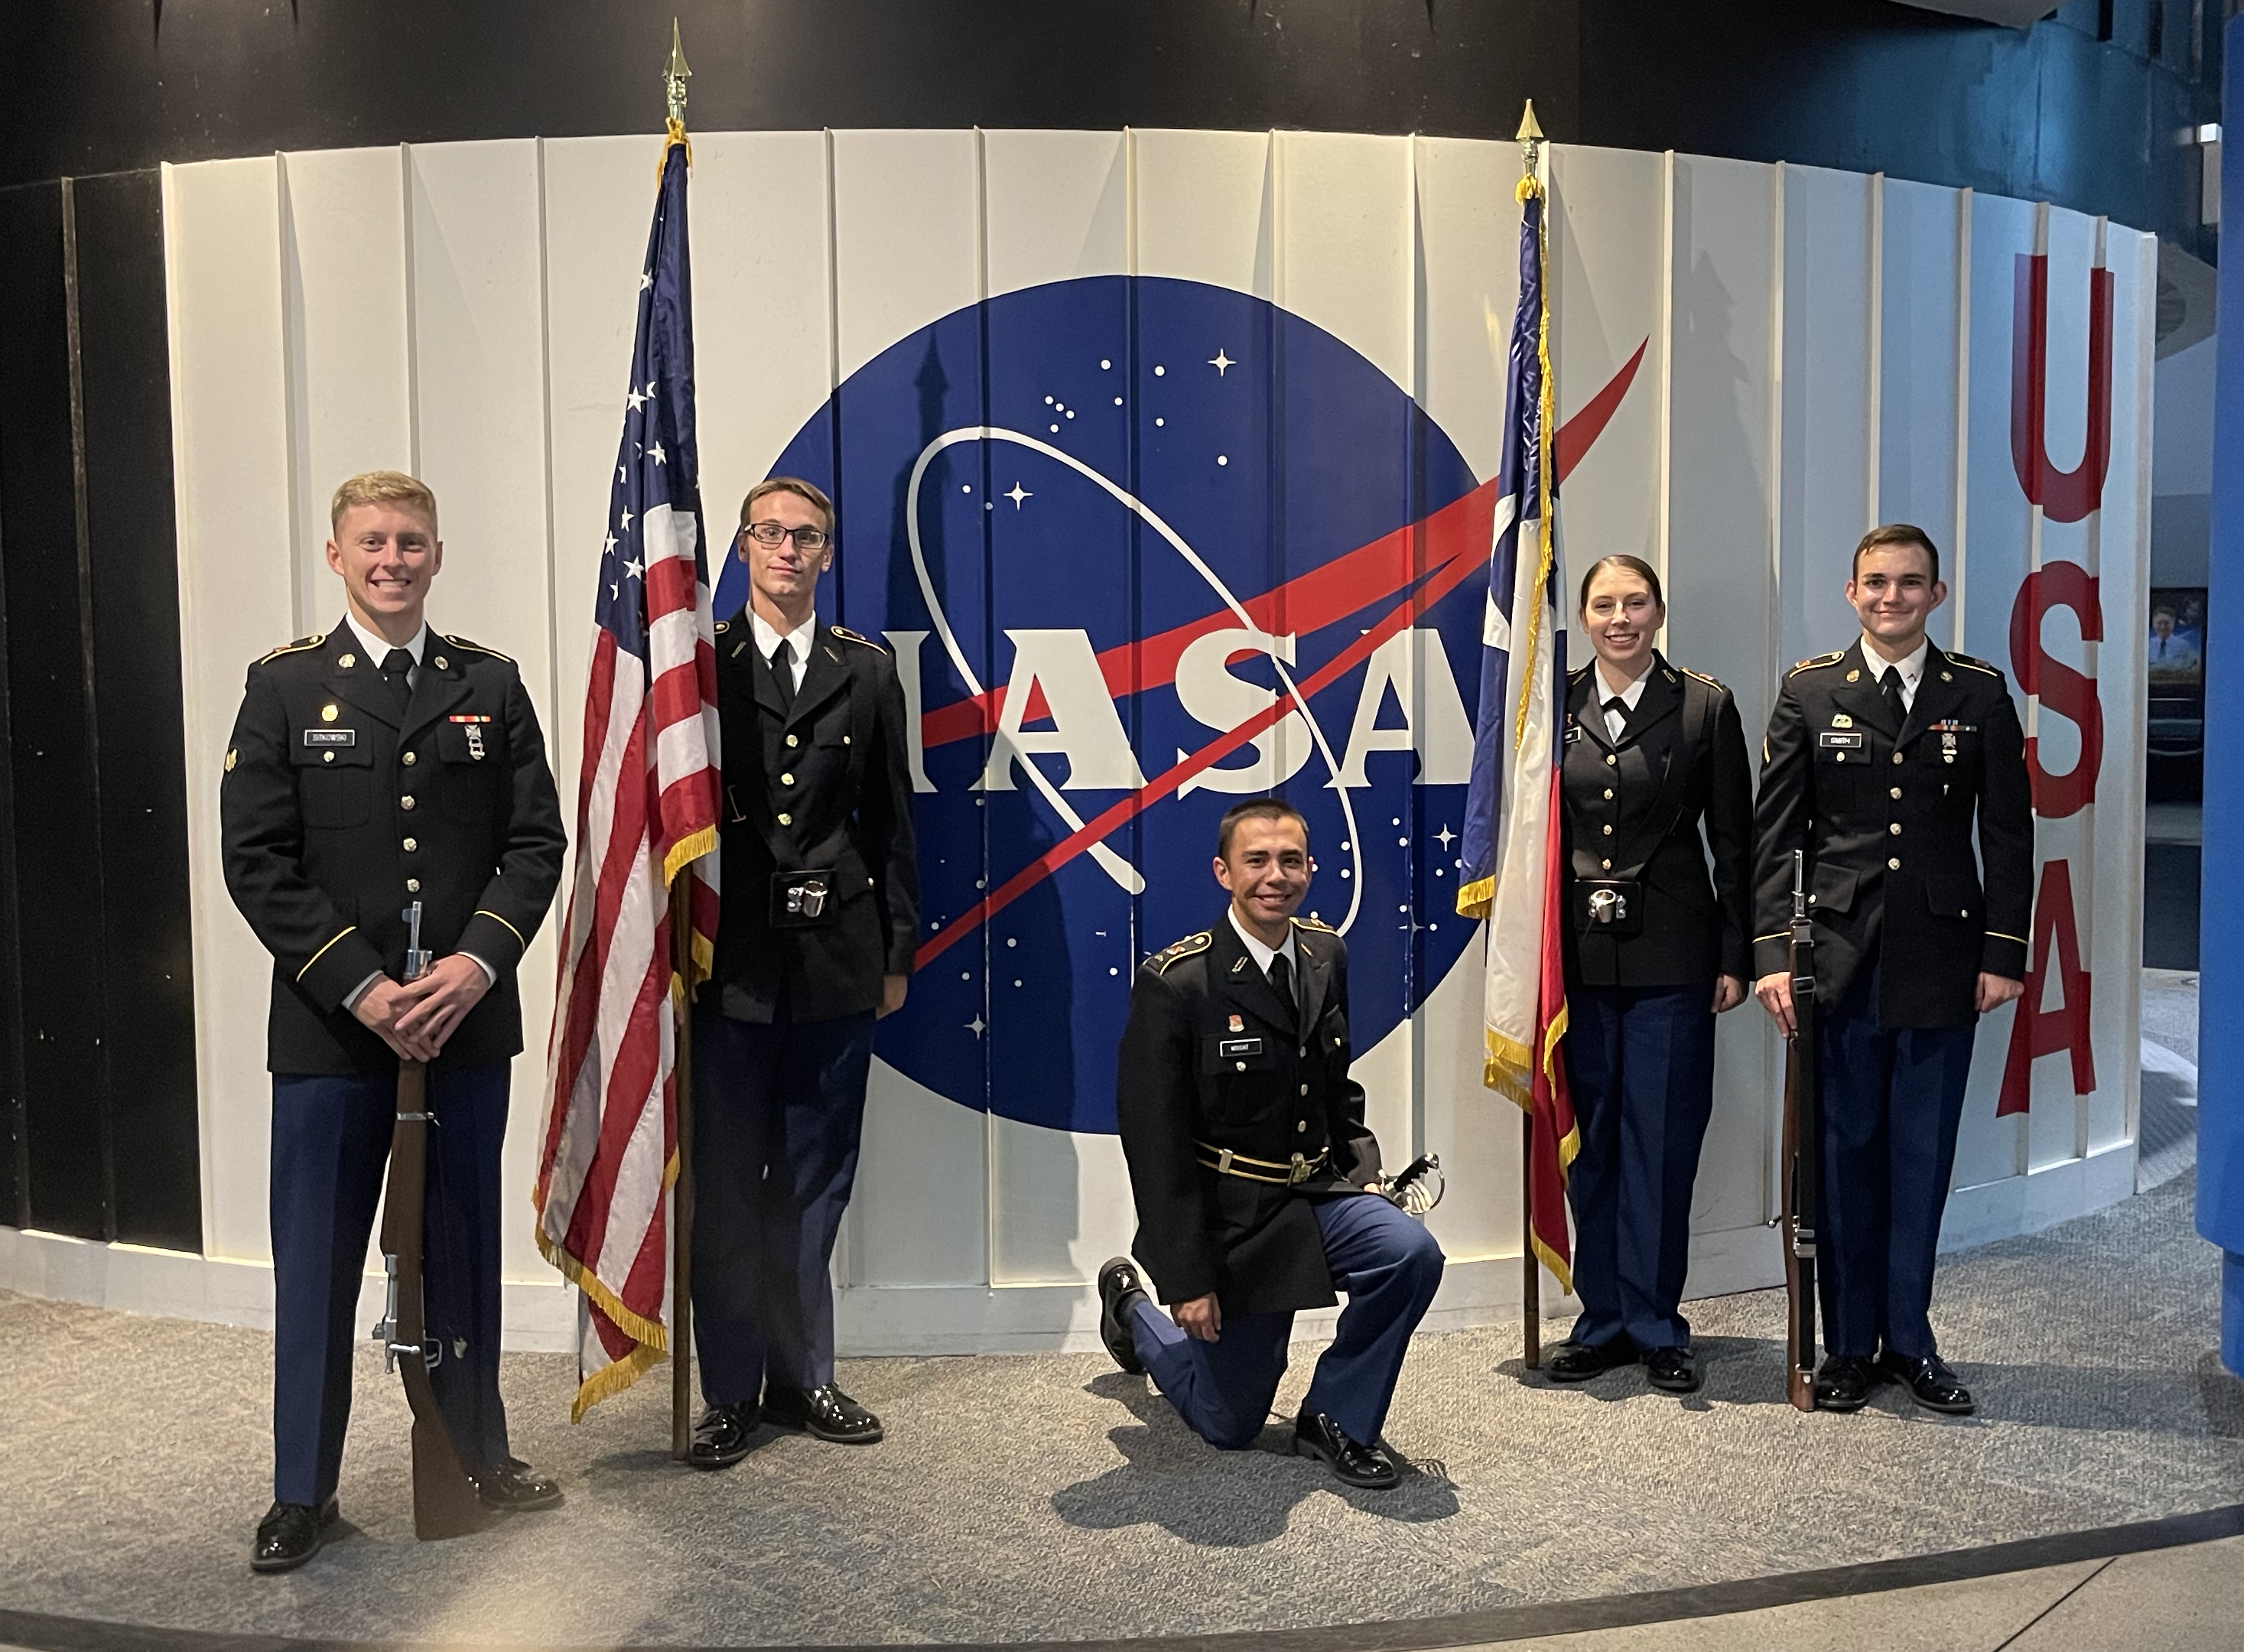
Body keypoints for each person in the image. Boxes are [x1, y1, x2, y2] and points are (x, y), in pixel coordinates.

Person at [220, 470, 567, 1571]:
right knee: (316, 1258)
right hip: (332, 1034)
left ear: (436, 553)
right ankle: (300, 1490)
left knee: (459, 1245)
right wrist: (362, 986)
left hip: (464, 1025)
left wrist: (475, 965)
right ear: (336, 556)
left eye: (411, 541)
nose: (392, 560)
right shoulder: (282, 689)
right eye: (371, 542)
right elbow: (256, 861)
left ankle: (475, 1449)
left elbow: (533, 845)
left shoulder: (490, 684)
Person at [1751, 523, 2031, 1416]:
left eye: (1910, 584)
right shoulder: (1811, 691)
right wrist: (1767, 957)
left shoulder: (1979, 694)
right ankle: (1849, 1347)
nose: (1891, 598)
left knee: (1921, 1157)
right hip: (1837, 961)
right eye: (1876, 582)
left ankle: (1911, 1341)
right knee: (1843, 1156)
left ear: (1936, 596)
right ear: (1851, 591)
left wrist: (2004, 954)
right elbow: (1777, 836)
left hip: (1944, 964)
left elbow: (2009, 834)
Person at [1097, 798, 1446, 1490]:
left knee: (1409, 1252)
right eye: (1256, 861)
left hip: (1316, 1193)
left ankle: (1337, 1417)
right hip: (1235, 1222)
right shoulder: (1178, 983)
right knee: (1229, 1425)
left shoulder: (1323, 953)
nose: (1275, 876)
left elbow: (1333, 1086)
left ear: (1311, 869)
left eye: (1291, 861)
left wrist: (1362, 1170)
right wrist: (1186, 1281)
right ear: (1224, 871)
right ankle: (1133, 1314)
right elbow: (1155, 1146)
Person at [686, 476, 919, 1469]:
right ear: (743, 547)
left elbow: (892, 823)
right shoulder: (697, 672)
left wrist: (896, 952)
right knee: (731, 1186)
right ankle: (732, 1391)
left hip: (835, 962)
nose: (788, 550)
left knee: (815, 1184)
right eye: (772, 533)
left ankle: (803, 1374)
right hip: (727, 963)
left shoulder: (865, 672)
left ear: (828, 554)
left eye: (807, 537)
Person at [1544, 555, 1752, 1396]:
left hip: (1673, 957)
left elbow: (1735, 844)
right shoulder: (1551, 706)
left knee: (1661, 1147)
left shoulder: (1704, 705)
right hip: (1578, 966)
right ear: (1586, 616)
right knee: (1589, 1146)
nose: (1619, 617)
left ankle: (1659, 1323)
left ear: (1660, 611)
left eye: (1636, 602)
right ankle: (1600, 1321)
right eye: (1604, 604)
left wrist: (1738, 954)